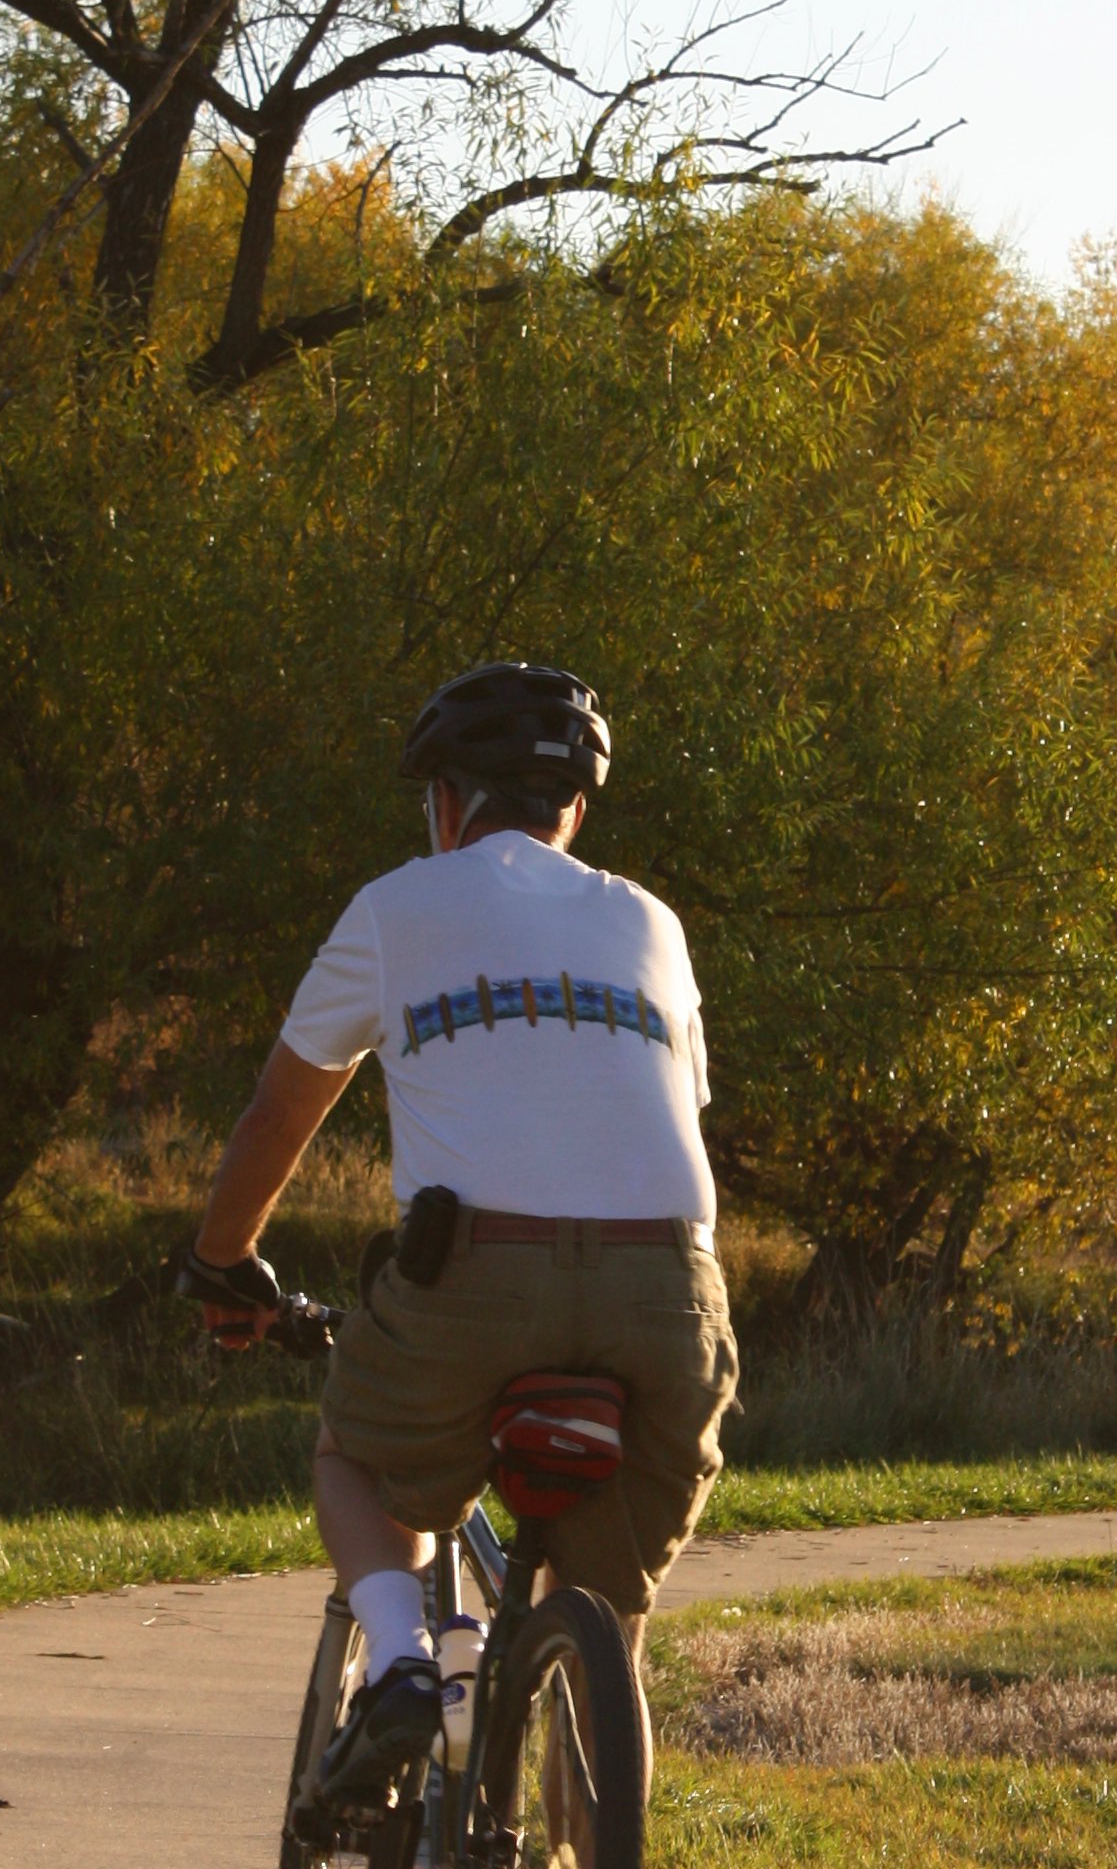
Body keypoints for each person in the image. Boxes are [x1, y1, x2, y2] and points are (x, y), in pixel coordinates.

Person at [180, 659, 738, 1808]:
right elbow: (668, 1108)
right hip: (670, 1295)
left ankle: (397, 1663)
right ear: (571, 811)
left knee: (361, 1466)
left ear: (448, 803)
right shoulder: (652, 922)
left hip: (477, 1276)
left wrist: (222, 1262)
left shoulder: (399, 907)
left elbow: (282, 1109)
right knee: (608, 1619)